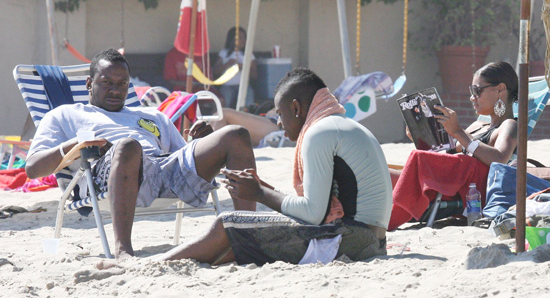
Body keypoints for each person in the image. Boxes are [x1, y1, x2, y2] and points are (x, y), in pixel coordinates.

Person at [25, 48, 256, 260]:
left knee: (235, 135)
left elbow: (179, 157)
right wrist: (77, 143)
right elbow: (33, 168)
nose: (115, 90)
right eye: (106, 83)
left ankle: (249, 237)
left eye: (122, 84)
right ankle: (123, 251)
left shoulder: (151, 115)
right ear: (89, 83)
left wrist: (198, 144)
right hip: (108, 175)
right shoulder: (64, 115)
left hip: (164, 171)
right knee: (128, 146)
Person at [149, 67, 392, 265]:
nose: (278, 121)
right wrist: (263, 189)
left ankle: (152, 264)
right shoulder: (341, 125)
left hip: (350, 240)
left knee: (228, 223)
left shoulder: (319, 133)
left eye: (280, 113)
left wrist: (259, 193)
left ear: (296, 108)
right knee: (236, 242)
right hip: (371, 241)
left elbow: (313, 214)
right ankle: (165, 261)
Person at [389, 61, 518, 230]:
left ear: (500, 89)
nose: (472, 97)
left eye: (477, 91)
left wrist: (457, 131)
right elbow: (444, 155)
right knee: (380, 172)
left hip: (468, 193)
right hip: (447, 185)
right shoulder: (478, 125)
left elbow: (500, 158)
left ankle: (385, 219)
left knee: (412, 163)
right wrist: (422, 135)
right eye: (471, 91)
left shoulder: (509, 125)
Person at [213, 27, 257, 109]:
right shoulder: (224, 53)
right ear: (231, 39)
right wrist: (228, 63)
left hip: (244, 86)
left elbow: (254, 76)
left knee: (248, 103)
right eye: (239, 38)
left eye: (244, 38)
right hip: (227, 86)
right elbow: (215, 72)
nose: (242, 40)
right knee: (224, 101)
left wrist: (243, 67)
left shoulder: (249, 55)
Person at [212, 107, 294, 148]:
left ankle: (211, 158)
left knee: (221, 114)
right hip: (277, 121)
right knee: (217, 116)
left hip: (282, 126)